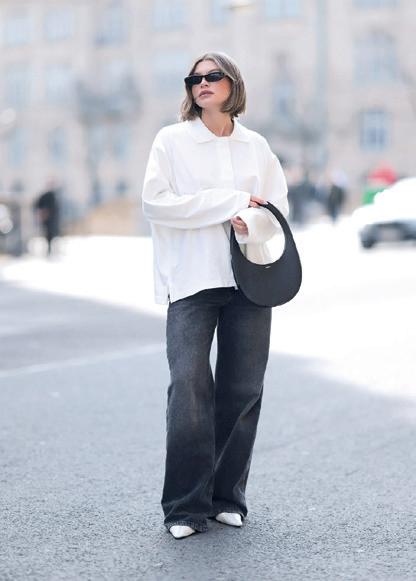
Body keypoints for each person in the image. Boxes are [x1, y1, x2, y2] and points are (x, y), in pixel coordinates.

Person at [141, 52, 289, 539]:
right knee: (188, 386)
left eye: (212, 76)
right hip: (191, 281)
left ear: (233, 84)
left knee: (242, 390)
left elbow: (276, 208)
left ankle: (227, 497)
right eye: (194, 79)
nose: (201, 83)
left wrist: (252, 219)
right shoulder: (172, 140)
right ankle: (185, 507)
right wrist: (230, 203)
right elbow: (156, 204)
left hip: (249, 279)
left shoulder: (256, 146)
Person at [33, 178, 61, 256]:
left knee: (54, 234)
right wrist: (43, 212)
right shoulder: (45, 195)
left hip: (53, 219)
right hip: (47, 219)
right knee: (48, 235)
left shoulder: (55, 195)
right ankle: (49, 250)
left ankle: (53, 250)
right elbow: (38, 205)